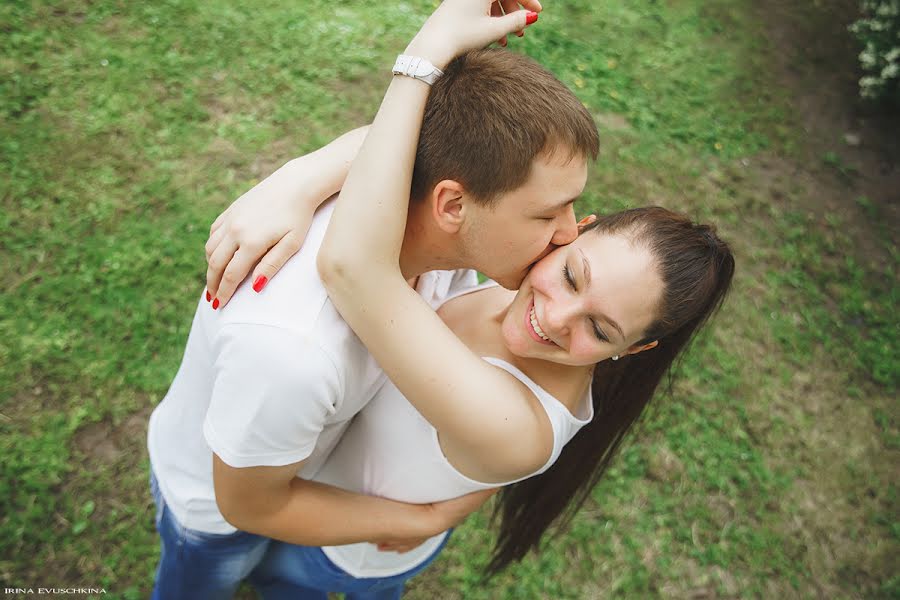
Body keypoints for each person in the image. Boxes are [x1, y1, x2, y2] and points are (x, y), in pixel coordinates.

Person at [201, 1, 736, 597]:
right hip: (296, 475)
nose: (555, 317)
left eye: (602, 331)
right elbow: (465, 153)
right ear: (578, 232)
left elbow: (356, 267)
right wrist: (298, 180)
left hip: (347, 554)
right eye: (573, 274)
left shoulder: (513, 425)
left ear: (637, 349)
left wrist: (429, 51)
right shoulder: (503, 270)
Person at [146, 2, 608, 598]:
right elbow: (249, 506)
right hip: (214, 516)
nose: (571, 234)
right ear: (451, 205)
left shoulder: (447, 239)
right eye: (548, 214)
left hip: (303, 472)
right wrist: (420, 520)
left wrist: (304, 170)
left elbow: (396, 138)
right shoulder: (293, 349)